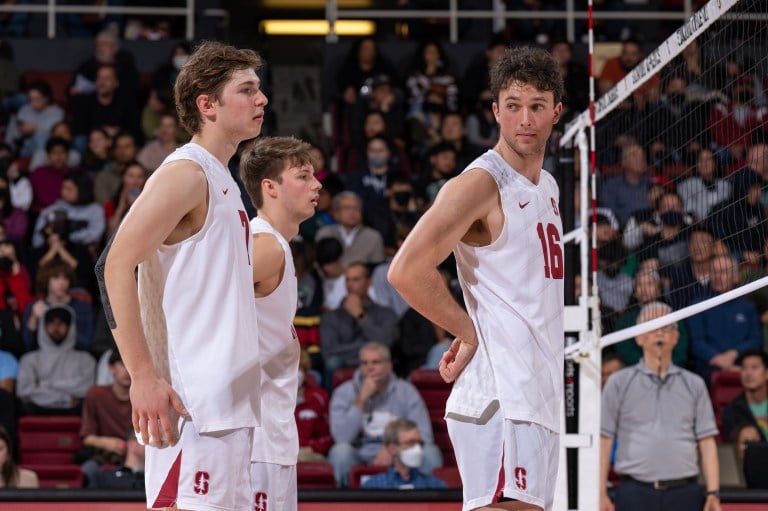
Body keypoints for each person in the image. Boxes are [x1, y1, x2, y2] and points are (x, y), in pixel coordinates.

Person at [389, 46, 565, 511]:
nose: (524, 118)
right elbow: (406, 271)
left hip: (535, 390)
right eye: (513, 106)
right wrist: (468, 333)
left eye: (536, 106)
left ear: (556, 112)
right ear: (495, 111)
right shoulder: (480, 184)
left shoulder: (547, 186)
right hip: (501, 392)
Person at [96, 41, 267, 510]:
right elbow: (113, 263)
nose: (262, 99)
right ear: (207, 105)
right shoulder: (186, 173)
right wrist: (142, 376)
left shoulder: (222, 177)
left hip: (224, 405)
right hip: (193, 405)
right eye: (247, 90)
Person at [239, 136, 321, 511]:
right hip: (254, 441)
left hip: (268, 436)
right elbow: (193, 299)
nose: (316, 184)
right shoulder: (265, 246)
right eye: (303, 176)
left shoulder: (275, 246)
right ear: (269, 188)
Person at [600, 302, 720, 511]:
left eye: (666, 327)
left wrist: (713, 493)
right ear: (638, 336)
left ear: (676, 337)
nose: (660, 333)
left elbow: (707, 442)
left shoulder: (694, 384)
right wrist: (600, 492)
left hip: (685, 493)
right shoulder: (618, 382)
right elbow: (604, 440)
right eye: (653, 326)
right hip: (634, 492)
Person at [328, 342, 442, 487]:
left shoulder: (406, 392)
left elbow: (425, 436)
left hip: (399, 452)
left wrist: (393, 450)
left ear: (389, 366)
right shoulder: (344, 393)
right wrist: (361, 399)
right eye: (364, 363)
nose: (369, 368)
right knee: (340, 452)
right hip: (360, 455)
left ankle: (427, 503)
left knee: (430, 452)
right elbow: (341, 437)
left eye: (375, 362)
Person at [320, 262, 398, 383]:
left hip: (375, 364)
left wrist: (360, 315)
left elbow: (385, 344)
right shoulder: (331, 317)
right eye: (347, 280)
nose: (350, 285)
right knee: (333, 363)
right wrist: (366, 346)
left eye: (356, 280)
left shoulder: (385, 314)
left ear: (369, 282)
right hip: (343, 365)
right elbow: (329, 352)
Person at [17, 304, 95, 415]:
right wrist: (66, 399)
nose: (56, 327)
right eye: (51, 323)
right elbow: (24, 392)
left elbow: (86, 390)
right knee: (25, 407)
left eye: (62, 323)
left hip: (73, 410)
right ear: (43, 326)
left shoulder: (86, 359)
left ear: (71, 327)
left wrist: (43, 385)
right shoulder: (29, 360)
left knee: (86, 407)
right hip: (38, 409)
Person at [78, 350, 133, 485]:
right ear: (111, 368)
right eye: (122, 364)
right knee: (87, 471)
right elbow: (87, 437)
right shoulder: (96, 395)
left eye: (132, 365)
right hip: (104, 456)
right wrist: (107, 443)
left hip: (140, 455)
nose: (128, 370)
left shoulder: (146, 397)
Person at [361, 418, 447, 490]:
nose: (417, 448)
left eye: (419, 443)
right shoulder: (373, 486)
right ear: (392, 449)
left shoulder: (435, 486)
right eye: (410, 443)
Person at [721, 348, 768, 442]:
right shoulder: (732, 411)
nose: (748, 373)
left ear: (766, 373)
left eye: (754, 368)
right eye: (744, 368)